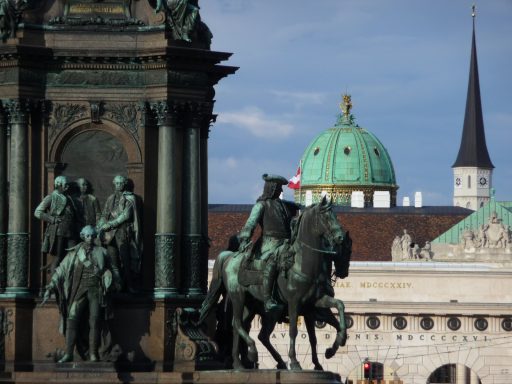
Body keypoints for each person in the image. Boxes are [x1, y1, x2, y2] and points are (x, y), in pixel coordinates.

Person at [42, 225, 120, 363]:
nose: (90, 238)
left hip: (96, 290)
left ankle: (93, 353)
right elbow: (61, 270)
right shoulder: (74, 253)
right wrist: (51, 285)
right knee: (72, 318)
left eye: (92, 236)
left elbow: (113, 268)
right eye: (87, 236)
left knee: (95, 320)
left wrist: (113, 278)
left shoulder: (102, 252)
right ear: (83, 236)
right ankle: (69, 353)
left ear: (95, 236)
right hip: (79, 290)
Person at [239, 174, 299, 312]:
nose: (281, 191)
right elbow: (250, 224)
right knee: (273, 260)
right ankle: (268, 299)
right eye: (279, 188)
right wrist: (245, 238)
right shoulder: (261, 205)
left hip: (285, 243)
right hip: (269, 243)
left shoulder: (284, 206)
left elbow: (299, 207)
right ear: (272, 189)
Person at [98, 175, 142, 293]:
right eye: (117, 183)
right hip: (110, 235)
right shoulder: (110, 198)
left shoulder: (130, 198)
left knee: (126, 261)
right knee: (113, 261)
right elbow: (104, 214)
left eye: (121, 183)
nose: (119, 185)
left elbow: (125, 216)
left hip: (123, 232)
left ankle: (130, 285)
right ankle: (117, 286)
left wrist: (110, 224)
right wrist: (101, 225)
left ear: (125, 184)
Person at [35, 176, 80, 272]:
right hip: (58, 231)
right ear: (58, 185)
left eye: (67, 185)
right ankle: (53, 285)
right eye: (65, 185)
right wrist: (52, 219)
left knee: (73, 255)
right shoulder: (50, 197)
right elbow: (38, 212)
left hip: (71, 232)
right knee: (58, 257)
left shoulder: (69, 198)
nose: (67, 187)